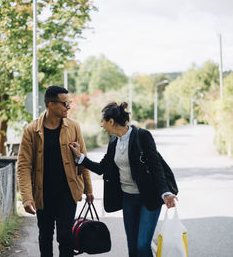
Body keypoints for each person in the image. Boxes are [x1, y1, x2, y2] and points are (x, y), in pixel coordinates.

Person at [69, 102, 177, 257]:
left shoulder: (142, 136)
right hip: (128, 199)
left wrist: (165, 193)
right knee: (132, 247)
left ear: (111, 121)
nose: (102, 126)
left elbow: (156, 167)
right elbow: (102, 168)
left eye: (103, 121)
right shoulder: (113, 142)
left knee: (142, 246)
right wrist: (80, 157)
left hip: (149, 198)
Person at [17, 86, 94, 257]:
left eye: (69, 103)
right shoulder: (31, 130)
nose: (68, 107)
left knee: (65, 237)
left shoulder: (73, 127)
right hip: (42, 194)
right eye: (65, 103)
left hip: (67, 192)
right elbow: (23, 166)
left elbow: (83, 158)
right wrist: (27, 197)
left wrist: (88, 189)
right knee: (45, 236)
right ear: (51, 105)